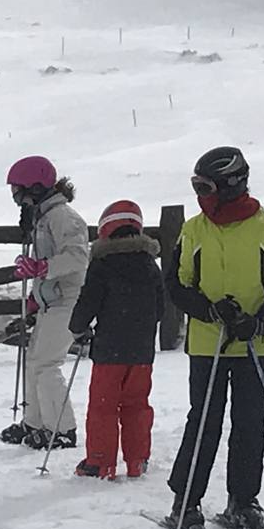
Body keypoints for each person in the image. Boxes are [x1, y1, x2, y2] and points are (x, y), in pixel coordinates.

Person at [164, 146, 264, 529]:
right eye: (196, 187)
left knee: (250, 423)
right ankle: (185, 501)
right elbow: (176, 284)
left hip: (254, 345)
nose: (200, 195)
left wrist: (257, 322)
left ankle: (243, 500)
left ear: (231, 184)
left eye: (205, 187)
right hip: (208, 345)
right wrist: (209, 311)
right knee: (204, 422)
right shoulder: (194, 230)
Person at [0, 156, 89, 450]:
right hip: (52, 300)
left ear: (35, 188)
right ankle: (35, 422)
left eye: (18, 191)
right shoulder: (43, 218)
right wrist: (36, 297)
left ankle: (62, 430)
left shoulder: (63, 216)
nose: (15, 199)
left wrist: (41, 268)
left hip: (68, 301)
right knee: (34, 360)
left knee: (47, 363)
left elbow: (77, 257)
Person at [69, 200, 164, 480]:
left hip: (109, 350)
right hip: (142, 351)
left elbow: (88, 302)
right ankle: (137, 459)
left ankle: (100, 462)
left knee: (103, 405)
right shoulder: (149, 265)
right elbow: (160, 308)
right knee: (137, 404)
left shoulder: (102, 264)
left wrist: (78, 327)